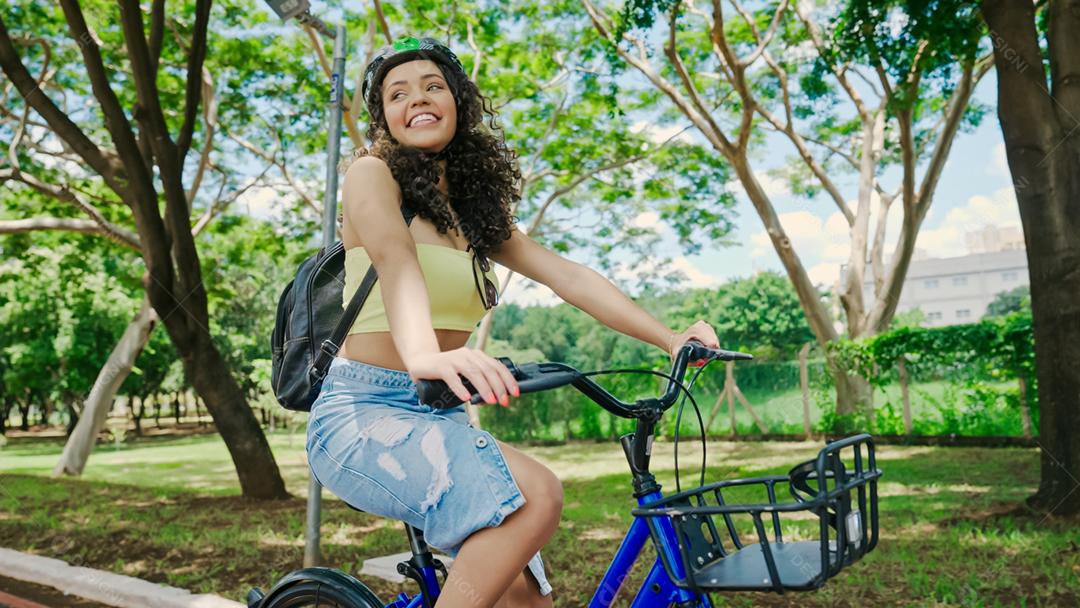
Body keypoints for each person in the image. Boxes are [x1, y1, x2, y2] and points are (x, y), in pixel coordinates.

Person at [305, 35, 721, 608]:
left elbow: (566, 276)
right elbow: (396, 263)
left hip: (438, 414)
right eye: (398, 93)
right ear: (384, 117)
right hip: (363, 415)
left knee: (526, 602)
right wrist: (426, 356)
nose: (418, 99)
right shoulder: (371, 176)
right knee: (539, 493)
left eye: (433, 86)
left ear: (457, 101)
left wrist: (670, 336)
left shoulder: (471, 210)